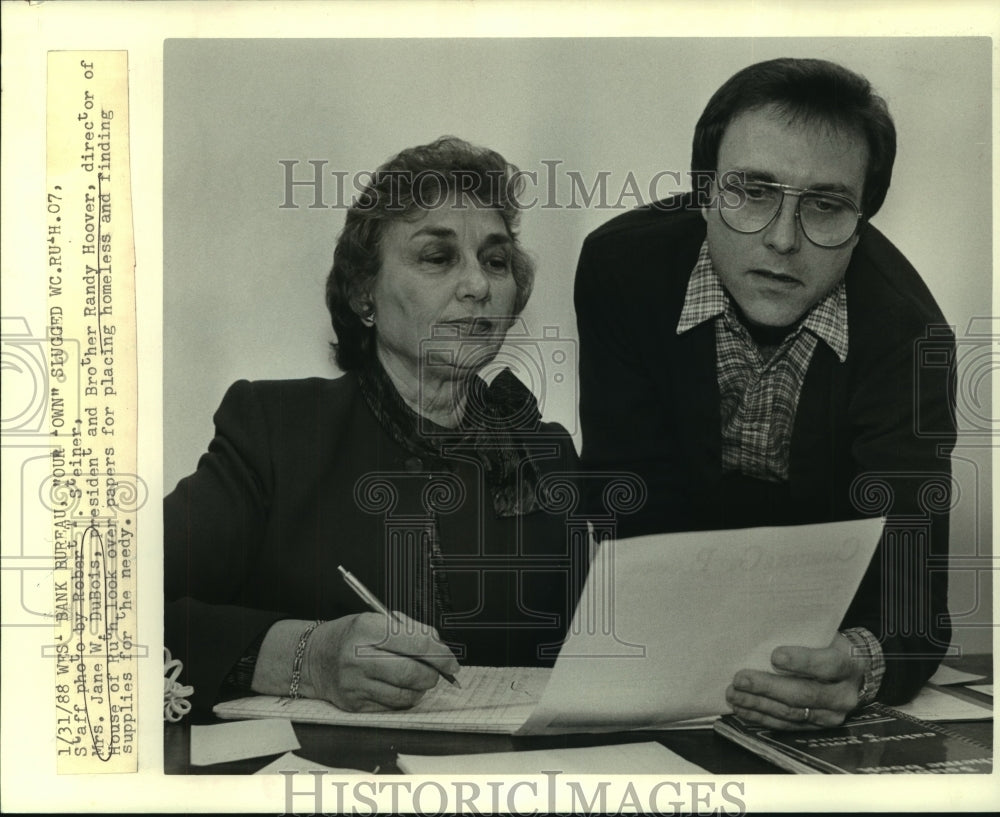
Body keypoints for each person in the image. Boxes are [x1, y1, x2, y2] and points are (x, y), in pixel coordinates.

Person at [575, 58, 956, 729]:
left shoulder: (908, 333)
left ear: (864, 215)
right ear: (703, 191)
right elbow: (628, 501)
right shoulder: (620, 272)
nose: (783, 240)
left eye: (827, 205)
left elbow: (913, 599)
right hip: (658, 649)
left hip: (811, 651)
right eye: (751, 191)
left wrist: (860, 663)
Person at [165, 136, 581, 716]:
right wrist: (306, 657)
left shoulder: (548, 455)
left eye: (495, 260)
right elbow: (112, 602)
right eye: (438, 258)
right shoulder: (275, 430)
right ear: (365, 295)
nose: (479, 285)